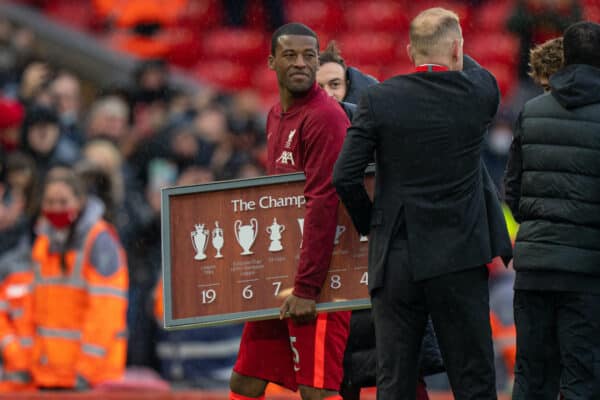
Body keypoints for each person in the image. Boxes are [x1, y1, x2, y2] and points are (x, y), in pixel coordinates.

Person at [333, 7, 512, 399]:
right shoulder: (479, 92)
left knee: (394, 377)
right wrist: (455, 48)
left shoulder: (380, 99)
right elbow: (473, 69)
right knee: (473, 376)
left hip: (397, 254)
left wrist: (372, 224)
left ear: (410, 51)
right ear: (456, 49)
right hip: (460, 255)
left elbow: (344, 176)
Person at [229, 23, 351, 400]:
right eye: (290, 55)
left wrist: (308, 287)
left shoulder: (325, 117)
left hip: (319, 278)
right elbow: (277, 202)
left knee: (316, 390)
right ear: (271, 62)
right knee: (245, 380)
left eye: (309, 56)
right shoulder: (274, 116)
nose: (301, 63)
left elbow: (323, 203)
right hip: (279, 273)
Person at [316, 41, 440, 400]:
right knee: (345, 374)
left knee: (402, 367)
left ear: (351, 85)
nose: (329, 95)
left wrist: (367, 223)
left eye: (335, 85)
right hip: (338, 274)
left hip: (383, 267)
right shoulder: (302, 139)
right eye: (319, 87)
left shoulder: (383, 130)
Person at [504, 21, 600, 399]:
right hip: (587, 273)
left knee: (530, 374)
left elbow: (511, 188)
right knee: (581, 375)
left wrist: (541, 227)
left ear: (566, 57)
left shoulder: (532, 110)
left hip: (535, 268)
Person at [30, 167, 128, 389]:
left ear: (80, 201)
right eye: (50, 202)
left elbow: (106, 311)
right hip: (49, 374)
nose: (56, 208)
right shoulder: (43, 242)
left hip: (90, 379)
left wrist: (86, 371)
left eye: (63, 202)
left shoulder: (100, 241)